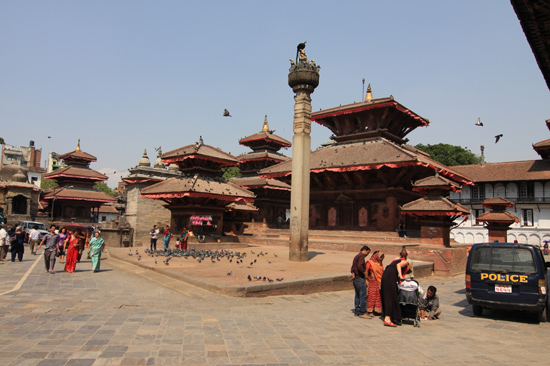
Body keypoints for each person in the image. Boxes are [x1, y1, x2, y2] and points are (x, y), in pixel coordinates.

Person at [380, 248, 410, 327]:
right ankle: (387, 318)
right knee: (390, 297)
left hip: (386, 276)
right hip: (390, 277)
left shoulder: (395, 260)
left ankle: (389, 316)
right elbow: (398, 266)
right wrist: (400, 276)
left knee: (389, 296)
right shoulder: (405, 262)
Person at [350, 245, 371, 319]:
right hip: (359, 278)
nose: (367, 255)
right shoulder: (361, 256)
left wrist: (353, 272)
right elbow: (360, 266)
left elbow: (353, 267)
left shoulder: (357, 256)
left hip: (356, 278)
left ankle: (357, 310)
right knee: (362, 295)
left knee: (357, 295)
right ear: (365, 250)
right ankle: (363, 312)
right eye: (367, 253)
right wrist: (364, 272)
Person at [366, 251, 385, 317]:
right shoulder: (370, 262)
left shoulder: (380, 263)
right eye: (381, 258)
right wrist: (366, 280)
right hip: (372, 281)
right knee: (372, 296)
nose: (381, 259)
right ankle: (370, 311)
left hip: (378, 282)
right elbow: (366, 271)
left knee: (378, 296)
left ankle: (377, 310)